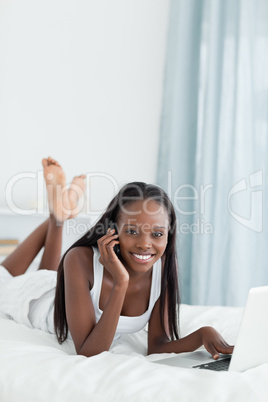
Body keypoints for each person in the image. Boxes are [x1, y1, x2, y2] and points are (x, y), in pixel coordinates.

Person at [0, 157, 233, 359]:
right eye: (132, 231)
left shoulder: (161, 267)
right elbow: (89, 352)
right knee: (5, 278)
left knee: (49, 274)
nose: (145, 244)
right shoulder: (78, 259)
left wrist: (202, 334)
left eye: (157, 234)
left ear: (168, 236)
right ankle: (57, 218)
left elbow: (158, 346)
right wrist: (120, 282)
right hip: (34, 299)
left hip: (60, 286)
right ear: (112, 230)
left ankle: (58, 215)